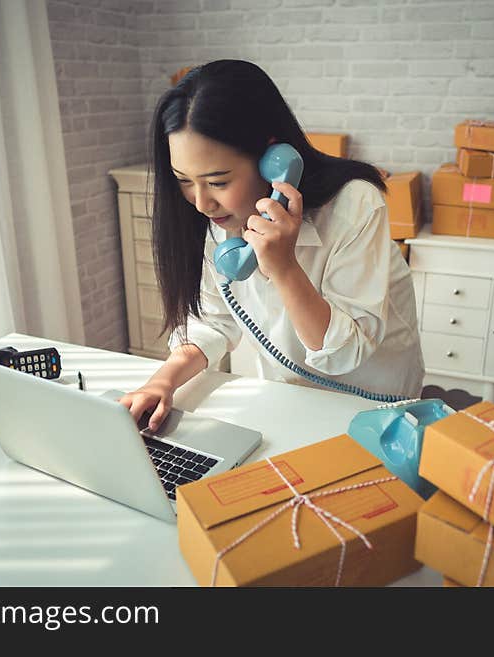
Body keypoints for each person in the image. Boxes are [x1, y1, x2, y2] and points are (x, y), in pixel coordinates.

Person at [120, 59, 424, 431]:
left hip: (376, 406)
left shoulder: (354, 205)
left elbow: (347, 352)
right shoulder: (217, 218)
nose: (201, 203)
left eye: (217, 181)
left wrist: (283, 268)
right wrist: (162, 381)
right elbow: (212, 322)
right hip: (290, 401)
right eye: (184, 180)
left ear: (272, 159)